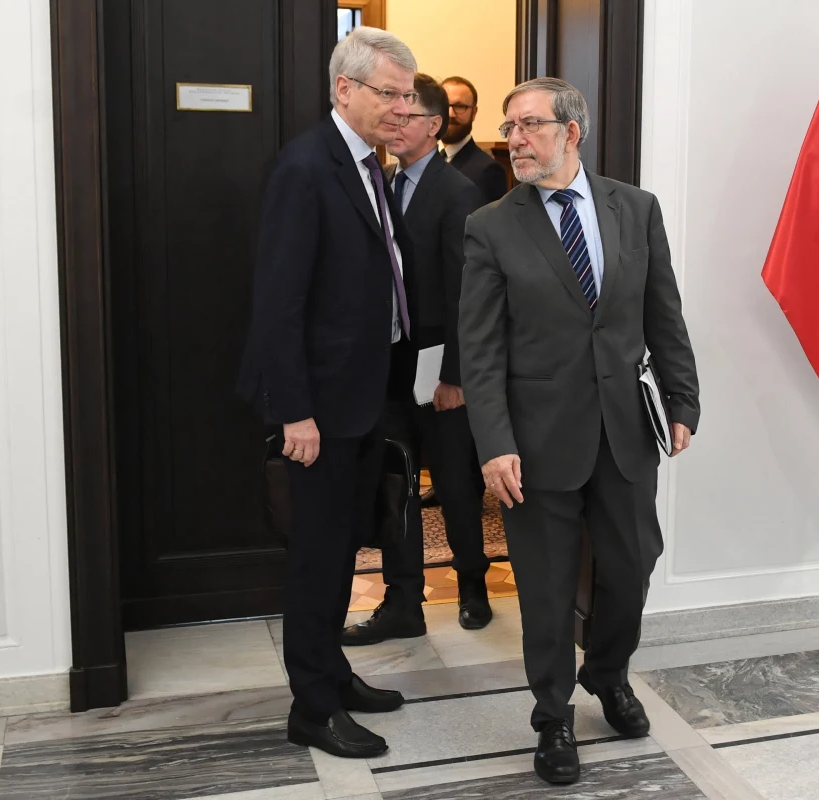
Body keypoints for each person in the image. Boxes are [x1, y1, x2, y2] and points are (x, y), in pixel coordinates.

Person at [458, 77, 700, 785]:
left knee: (632, 564)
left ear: (573, 130)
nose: (515, 138)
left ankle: (607, 671)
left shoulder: (636, 208)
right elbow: (480, 350)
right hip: (534, 441)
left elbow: (664, 313)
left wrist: (683, 398)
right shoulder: (492, 225)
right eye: (510, 126)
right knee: (545, 583)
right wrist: (494, 441)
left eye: (530, 124)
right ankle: (553, 716)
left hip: (625, 431)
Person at [235, 26, 422, 760]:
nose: (402, 109)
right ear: (345, 89)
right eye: (389, 94)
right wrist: (295, 413)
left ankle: (333, 672)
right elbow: (278, 302)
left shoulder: (373, 166)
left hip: (364, 395)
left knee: (347, 546)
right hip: (318, 407)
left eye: (408, 95)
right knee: (317, 556)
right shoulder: (306, 167)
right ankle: (312, 706)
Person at [341, 74, 492, 647]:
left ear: (432, 125)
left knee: (455, 481)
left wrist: (455, 374)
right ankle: (403, 601)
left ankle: (473, 586)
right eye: (391, 115)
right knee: (397, 480)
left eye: (405, 117)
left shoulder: (459, 194)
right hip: (389, 364)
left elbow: (467, 293)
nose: (394, 124)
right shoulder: (381, 181)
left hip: (440, 364)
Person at [441, 76, 509, 203]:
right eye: (445, 105)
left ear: (474, 112)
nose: (450, 114)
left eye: (460, 106)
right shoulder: (426, 160)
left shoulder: (488, 171)